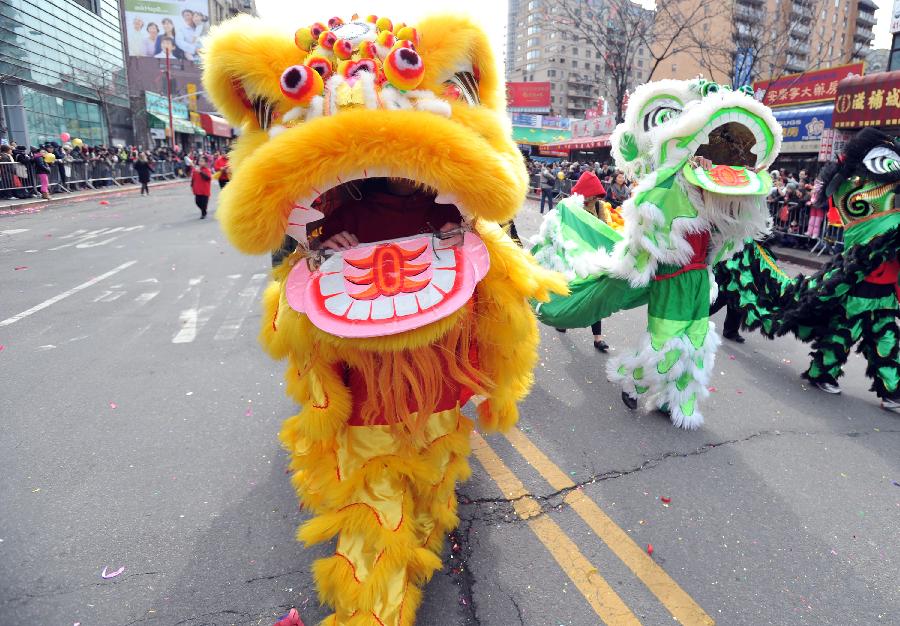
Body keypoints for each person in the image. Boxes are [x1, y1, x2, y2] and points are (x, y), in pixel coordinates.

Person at [554, 170, 611, 352]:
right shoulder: (573, 206)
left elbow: (606, 230)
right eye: (590, 195)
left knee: (595, 296)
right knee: (573, 290)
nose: (592, 199)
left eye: (596, 195)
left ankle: (598, 338)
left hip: (594, 257)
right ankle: (564, 320)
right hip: (574, 255)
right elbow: (562, 225)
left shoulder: (600, 207)